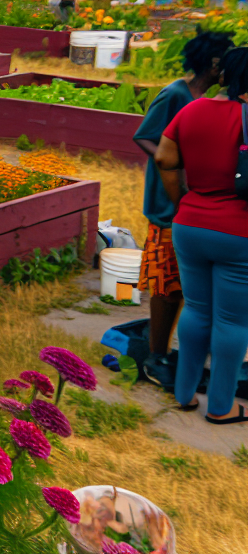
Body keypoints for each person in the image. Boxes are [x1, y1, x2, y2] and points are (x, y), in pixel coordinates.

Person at [135, 31, 234, 391]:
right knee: (167, 284)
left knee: (182, 283)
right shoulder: (176, 94)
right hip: (166, 202)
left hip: (188, 200)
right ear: (213, 64)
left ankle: (168, 351)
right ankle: (155, 355)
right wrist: (174, 165)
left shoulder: (203, 99)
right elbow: (145, 135)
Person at [155, 45, 248, 424]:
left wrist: (182, 201)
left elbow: (163, 158)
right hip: (238, 232)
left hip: (190, 225)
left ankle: (183, 394)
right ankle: (222, 407)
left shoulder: (191, 109)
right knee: (233, 321)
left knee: (196, 309)